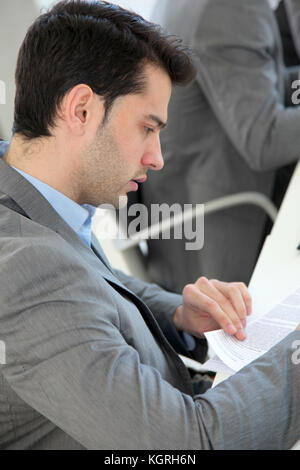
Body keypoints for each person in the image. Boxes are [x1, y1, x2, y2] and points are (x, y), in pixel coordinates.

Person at [0, 0, 299, 450]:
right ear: (81, 110)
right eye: (147, 128)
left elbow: (92, 280)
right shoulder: (27, 270)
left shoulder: (31, 198)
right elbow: (187, 444)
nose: (156, 157)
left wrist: (177, 313)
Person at [136, 0, 300, 294]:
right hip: (222, 238)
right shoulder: (229, 8)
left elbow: (259, 86)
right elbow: (265, 140)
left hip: (180, 227)